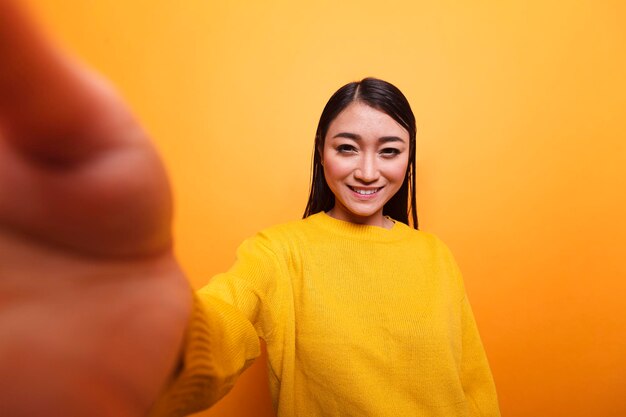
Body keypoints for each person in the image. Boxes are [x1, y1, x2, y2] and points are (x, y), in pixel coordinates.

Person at [0, 1, 499, 416]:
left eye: (389, 151)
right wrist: (137, 336)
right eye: (347, 148)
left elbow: (475, 391)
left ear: (409, 159)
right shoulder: (279, 253)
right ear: (321, 151)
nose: (368, 171)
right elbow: (221, 325)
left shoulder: (436, 257)